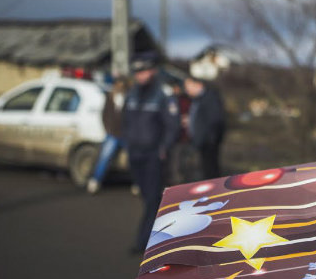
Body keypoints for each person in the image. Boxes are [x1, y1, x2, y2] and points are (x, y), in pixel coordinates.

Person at [121, 52, 180, 254]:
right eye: (137, 72)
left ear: (152, 70)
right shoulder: (132, 92)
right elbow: (125, 121)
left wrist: (164, 147)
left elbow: (173, 125)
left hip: (154, 155)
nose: (140, 75)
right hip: (135, 153)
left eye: (144, 71)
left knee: (153, 199)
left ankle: (143, 243)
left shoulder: (163, 93)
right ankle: (163, 235)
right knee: (148, 199)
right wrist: (127, 143)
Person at [86, 76, 129, 194]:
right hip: (113, 134)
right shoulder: (109, 97)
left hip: (126, 134)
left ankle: (139, 183)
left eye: (122, 84)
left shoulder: (129, 98)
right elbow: (104, 114)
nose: (120, 86)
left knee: (135, 158)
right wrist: (108, 129)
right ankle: (95, 180)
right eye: (118, 84)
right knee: (104, 157)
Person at [183, 75, 225, 180]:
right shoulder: (198, 99)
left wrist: (209, 139)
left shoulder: (209, 97)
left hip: (208, 143)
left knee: (210, 172)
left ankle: (214, 194)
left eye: (188, 86)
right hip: (201, 142)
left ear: (198, 85)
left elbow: (215, 120)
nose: (186, 90)